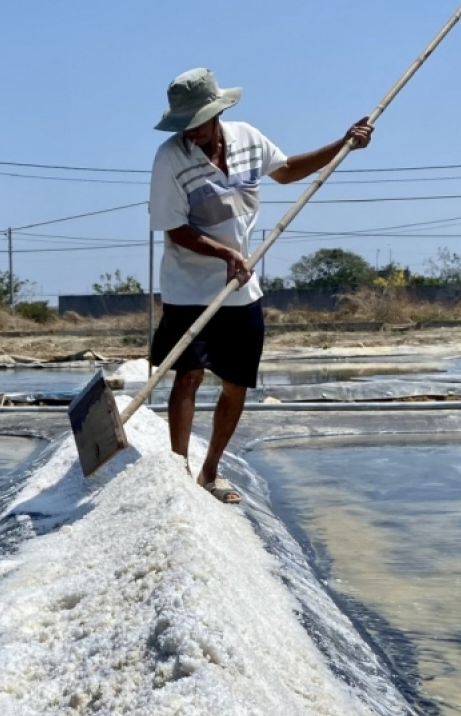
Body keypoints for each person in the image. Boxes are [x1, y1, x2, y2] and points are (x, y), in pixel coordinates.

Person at [149, 68, 373, 503]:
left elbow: (287, 171)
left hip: (240, 288)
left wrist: (343, 144)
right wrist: (227, 254)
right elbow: (175, 228)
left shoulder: (248, 137)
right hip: (189, 287)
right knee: (188, 375)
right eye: (185, 125)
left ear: (217, 115)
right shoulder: (169, 157)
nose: (191, 132)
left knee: (236, 382)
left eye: (198, 123)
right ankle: (179, 474)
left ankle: (209, 473)